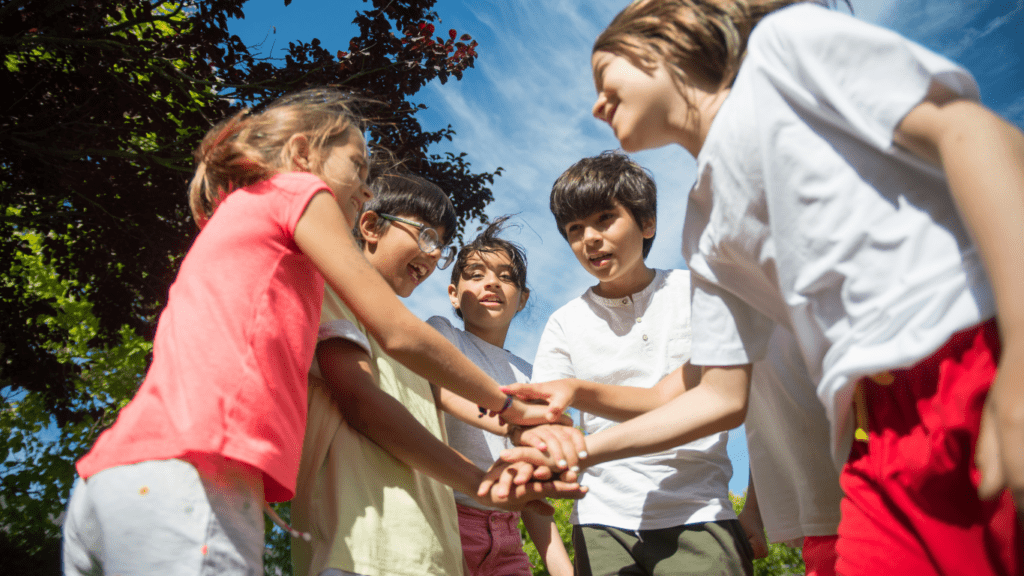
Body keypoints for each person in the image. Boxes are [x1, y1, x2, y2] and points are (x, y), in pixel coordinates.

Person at [501, 2, 1024, 575]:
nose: (597, 104)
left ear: (660, 50)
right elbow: (718, 395)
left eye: (605, 78)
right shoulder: (704, 225)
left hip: (966, 357)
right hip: (872, 426)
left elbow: (974, 130)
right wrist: (581, 450)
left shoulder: (782, 52)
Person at [61, 87, 568, 576]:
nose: (367, 189)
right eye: (359, 168)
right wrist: (511, 408)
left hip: (129, 473)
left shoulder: (276, 253)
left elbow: (423, 375)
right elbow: (395, 334)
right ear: (303, 153)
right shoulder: (295, 190)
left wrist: (515, 424)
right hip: (196, 476)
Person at [291, 176, 583, 576]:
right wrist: (485, 474)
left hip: (430, 544)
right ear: (370, 226)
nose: (433, 253)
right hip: (360, 544)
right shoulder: (369, 315)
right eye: (426, 235)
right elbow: (366, 404)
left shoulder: (406, 342)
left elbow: (447, 399)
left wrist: (523, 426)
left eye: (441, 246)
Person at [514, 151, 752, 576]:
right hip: (603, 520)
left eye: (605, 218)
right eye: (574, 229)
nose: (589, 237)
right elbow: (539, 417)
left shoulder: (696, 293)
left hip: (698, 509)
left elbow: (699, 398)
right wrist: (539, 435)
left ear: (647, 224)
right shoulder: (564, 322)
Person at [426, 217, 575, 576]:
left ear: (522, 299)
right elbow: (442, 389)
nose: (491, 282)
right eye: (476, 274)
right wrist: (514, 416)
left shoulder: (531, 376)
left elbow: (533, 497)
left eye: (506, 277)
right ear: (452, 293)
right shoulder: (443, 334)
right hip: (446, 518)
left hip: (507, 535)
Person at [738, 327, 842, 576]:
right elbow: (769, 417)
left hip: (893, 489)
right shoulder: (729, 306)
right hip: (824, 517)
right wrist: (753, 505)